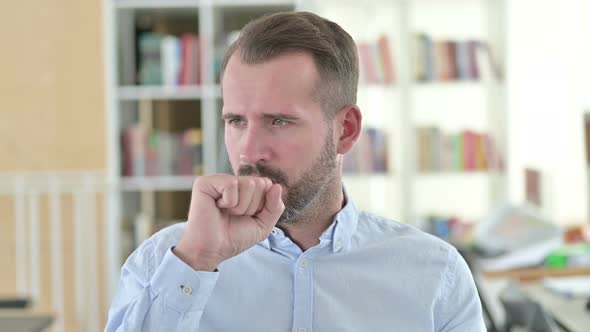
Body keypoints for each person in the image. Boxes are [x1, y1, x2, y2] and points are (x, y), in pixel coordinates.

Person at [105, 11, 485, 332]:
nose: (249, 151)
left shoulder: (436, 275)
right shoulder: (164, 263)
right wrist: (198, 261)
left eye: (279, 121)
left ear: (346, 130)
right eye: (236, 121)